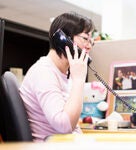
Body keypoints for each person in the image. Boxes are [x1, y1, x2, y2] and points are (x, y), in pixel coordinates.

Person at [19, 12, 95, 142]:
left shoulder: (65, 73)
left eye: (91, 41)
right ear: (63, 38)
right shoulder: (43, 72)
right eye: (85, 38)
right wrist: (79, 80)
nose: (89, 46)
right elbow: (64, 125)